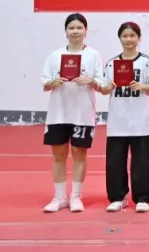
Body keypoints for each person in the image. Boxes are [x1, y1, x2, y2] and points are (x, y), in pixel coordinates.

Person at [39, 13, 104, 213]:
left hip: (83, 114)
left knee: (79, 153)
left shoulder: (93, 55)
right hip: (58, 113)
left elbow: (102, 83)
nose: (75, 31)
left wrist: (90, 81)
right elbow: (45, 83)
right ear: (65, 31)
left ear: (86, 30)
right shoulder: (55, 56)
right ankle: (59, 197)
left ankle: (76, 196)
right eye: (71, 28)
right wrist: (53, 82)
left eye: (79, 28)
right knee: (58, 154)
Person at [100, 22, 149, 213]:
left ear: (139, 38)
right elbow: (103, 88)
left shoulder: (145, 61)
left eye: (132, 35)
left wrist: (142, 86)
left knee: (142, 161)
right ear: (120, 38)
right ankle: (118, 197)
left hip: (141, 120)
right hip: (118, 121)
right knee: (115, 162)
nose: (129, 39)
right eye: (125, 36)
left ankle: (142, 198)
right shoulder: (112, 63)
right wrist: (108, 87)